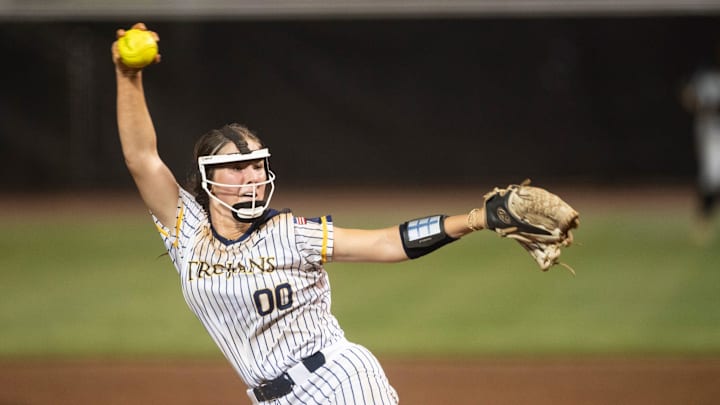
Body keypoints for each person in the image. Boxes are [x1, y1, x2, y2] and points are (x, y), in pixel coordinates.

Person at [112, 23, 565, 404]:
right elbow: (142, 159)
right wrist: (127, 75)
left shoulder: (290, 233)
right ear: (209, 176)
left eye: (256, 165)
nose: (250, 175)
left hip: (341, 383)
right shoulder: (186, 230)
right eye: (236, 166)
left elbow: (386, 242)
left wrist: (476, 219)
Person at [682, 59, 720, 242]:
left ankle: (703, 222)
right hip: (712, 138)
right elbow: (688, 95)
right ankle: (702, 222)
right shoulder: (707, 78)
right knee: (712, 178)